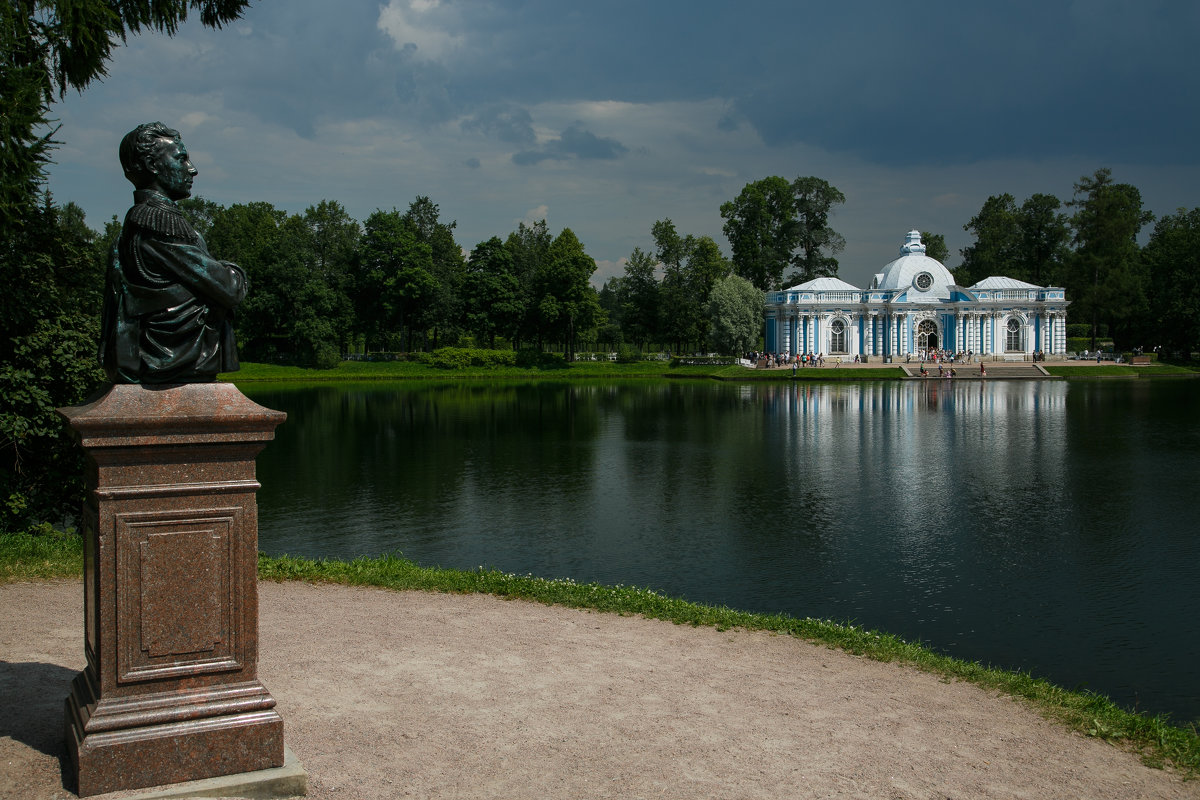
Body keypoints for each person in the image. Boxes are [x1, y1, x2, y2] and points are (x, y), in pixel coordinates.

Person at [100, 122, 247, 383]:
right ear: (153, 165)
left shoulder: (140, 223)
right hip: (173, 357)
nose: (192, 169)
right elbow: (229, 289)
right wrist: (234, 271)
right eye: (181, 158)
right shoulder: (158, 225)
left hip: (171, 356)